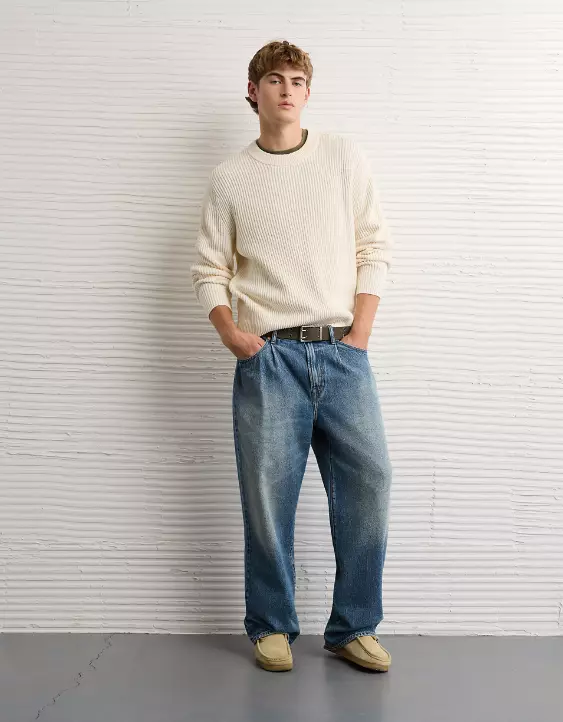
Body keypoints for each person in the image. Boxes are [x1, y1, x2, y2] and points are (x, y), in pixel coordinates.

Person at [191, 40, 394, 673]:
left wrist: (361, 332)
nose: (286, 89)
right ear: (253, 92)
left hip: (342, 353)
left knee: (370, 482)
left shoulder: (341, 157)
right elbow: (209, 269)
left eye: (297, 80)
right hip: (269, 358)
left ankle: (353, 627)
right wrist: (233, 335)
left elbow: (373, 246)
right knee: (266, 496)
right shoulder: (230, 176)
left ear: (308, 92)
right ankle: (272, 625)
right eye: (274, 79)